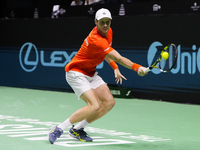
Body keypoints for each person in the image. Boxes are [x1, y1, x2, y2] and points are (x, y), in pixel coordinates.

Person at [48, 8, 147, 144]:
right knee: (94, 105)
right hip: (76, 72)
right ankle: (58, 128)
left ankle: (77, 129)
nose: (105, 25)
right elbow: (118, 57)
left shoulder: (108, 32)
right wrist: (137, 67)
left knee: (109, 102)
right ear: (96, 22)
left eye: (108, 22)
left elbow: (105, 54)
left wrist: (115, 68)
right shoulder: (96, 39)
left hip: (90, 73)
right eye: (102, 22)